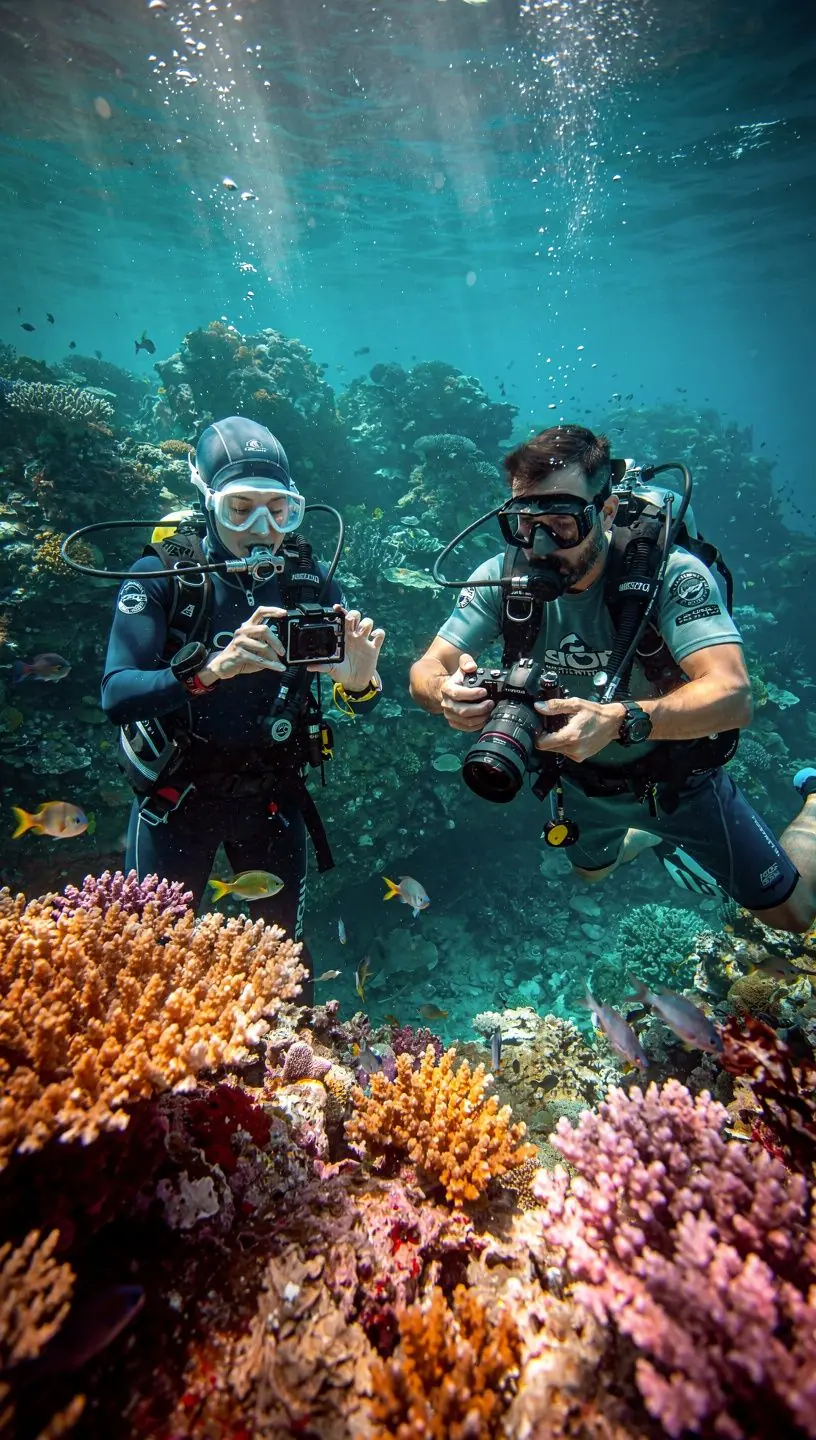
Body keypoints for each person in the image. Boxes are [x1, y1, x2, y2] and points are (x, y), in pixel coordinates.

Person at [410, 423, 816, 936]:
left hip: (677, 783)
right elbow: (427, 668)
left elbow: (734, 695)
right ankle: (645, 835)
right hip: (579, 783)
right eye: (522, 522)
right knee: (590, 875)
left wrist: (621, 721)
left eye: (560, 522)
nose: (539, 544)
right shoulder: (503, 576)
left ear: (602, 512)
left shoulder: (671, 575)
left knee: (793, 915)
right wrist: (444, 694)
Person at [102, 416, 385, 982]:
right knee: (146, 966)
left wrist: (359, 686)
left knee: (283, 973)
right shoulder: (163, 579)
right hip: (174, 801)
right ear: (207, 499)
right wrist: (210, 670)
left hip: (273, 801)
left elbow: (359, 700)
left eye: (279, 510)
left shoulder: (314, 585)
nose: (263, 527)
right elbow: (116, 692)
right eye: (240, 508)